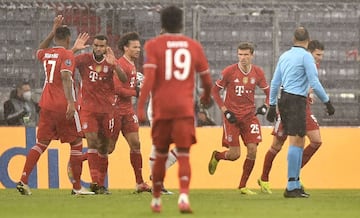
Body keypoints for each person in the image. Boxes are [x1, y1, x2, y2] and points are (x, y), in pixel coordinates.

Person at [137, 5, 213, 213]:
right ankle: (184, 198)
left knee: (160, 153)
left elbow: (149, 79)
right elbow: (206, 80)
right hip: (184, 109)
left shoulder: (153, 46)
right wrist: (206, 97)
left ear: (162, 23)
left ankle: (156, 200)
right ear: (182, 23)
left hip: (161, 108)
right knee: (184, 153)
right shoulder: (193, 46)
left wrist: (141, 106)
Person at [16, 15, 94, 195]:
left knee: (41, 143)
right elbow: (66, 76)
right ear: (68, 38)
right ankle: (76, 187)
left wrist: (52, 32)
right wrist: (70, 103)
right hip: (63, 105)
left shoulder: (47, 54)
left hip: (46, 105)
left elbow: (39, 50)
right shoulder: (66, 54)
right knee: (76, 142)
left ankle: (23, 179)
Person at [266, 27, 335, 198]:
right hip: (297, 101)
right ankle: (291, 185)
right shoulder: (306, 57)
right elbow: (314, 82)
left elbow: (275, 83)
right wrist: (327, 101)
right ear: (308, 40)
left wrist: (272, 105)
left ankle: (295, 183)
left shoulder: (284, 56)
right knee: (296, 142)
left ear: (293, 39)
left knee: (297, 141)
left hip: (284, 100)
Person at [208, 42, 270, 195]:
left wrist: (266, 106)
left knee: (253, 150)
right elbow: (215, 91)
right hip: (232, 118)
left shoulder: (258, 72)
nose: (243, 58)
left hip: (250, 117)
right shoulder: (229, 71)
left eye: (246, 55)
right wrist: (225, 111)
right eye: (240, 54)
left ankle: (242, 186)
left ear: (252, 56)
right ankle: (217, 156)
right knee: (234, 155)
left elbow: (270, 93)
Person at [73, 34, 127, 194]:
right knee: (92, 141)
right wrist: (74, 49)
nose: (98, 48)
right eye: (96, 45)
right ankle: (95, 182)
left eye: (101, 46)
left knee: (104, 148)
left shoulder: (110, 61)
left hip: (107, 111)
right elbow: (65, 62)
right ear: (92, 45)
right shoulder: (83, 59)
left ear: (106, 47)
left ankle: (100, 184)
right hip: (88, 109)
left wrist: (115, 65)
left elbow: (123, 79)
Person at [109, 31, 151, 193]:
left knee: (136, 144)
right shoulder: (120, 64)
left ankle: (140, 182)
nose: (138, 50)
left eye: (139, 47)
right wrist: (136, 91)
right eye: (135, 47)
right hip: (116, 111)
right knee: (109, 149)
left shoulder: (132, 65)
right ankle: (81, 159)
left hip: (128, 111)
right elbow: (118, 89)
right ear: (125, 48)